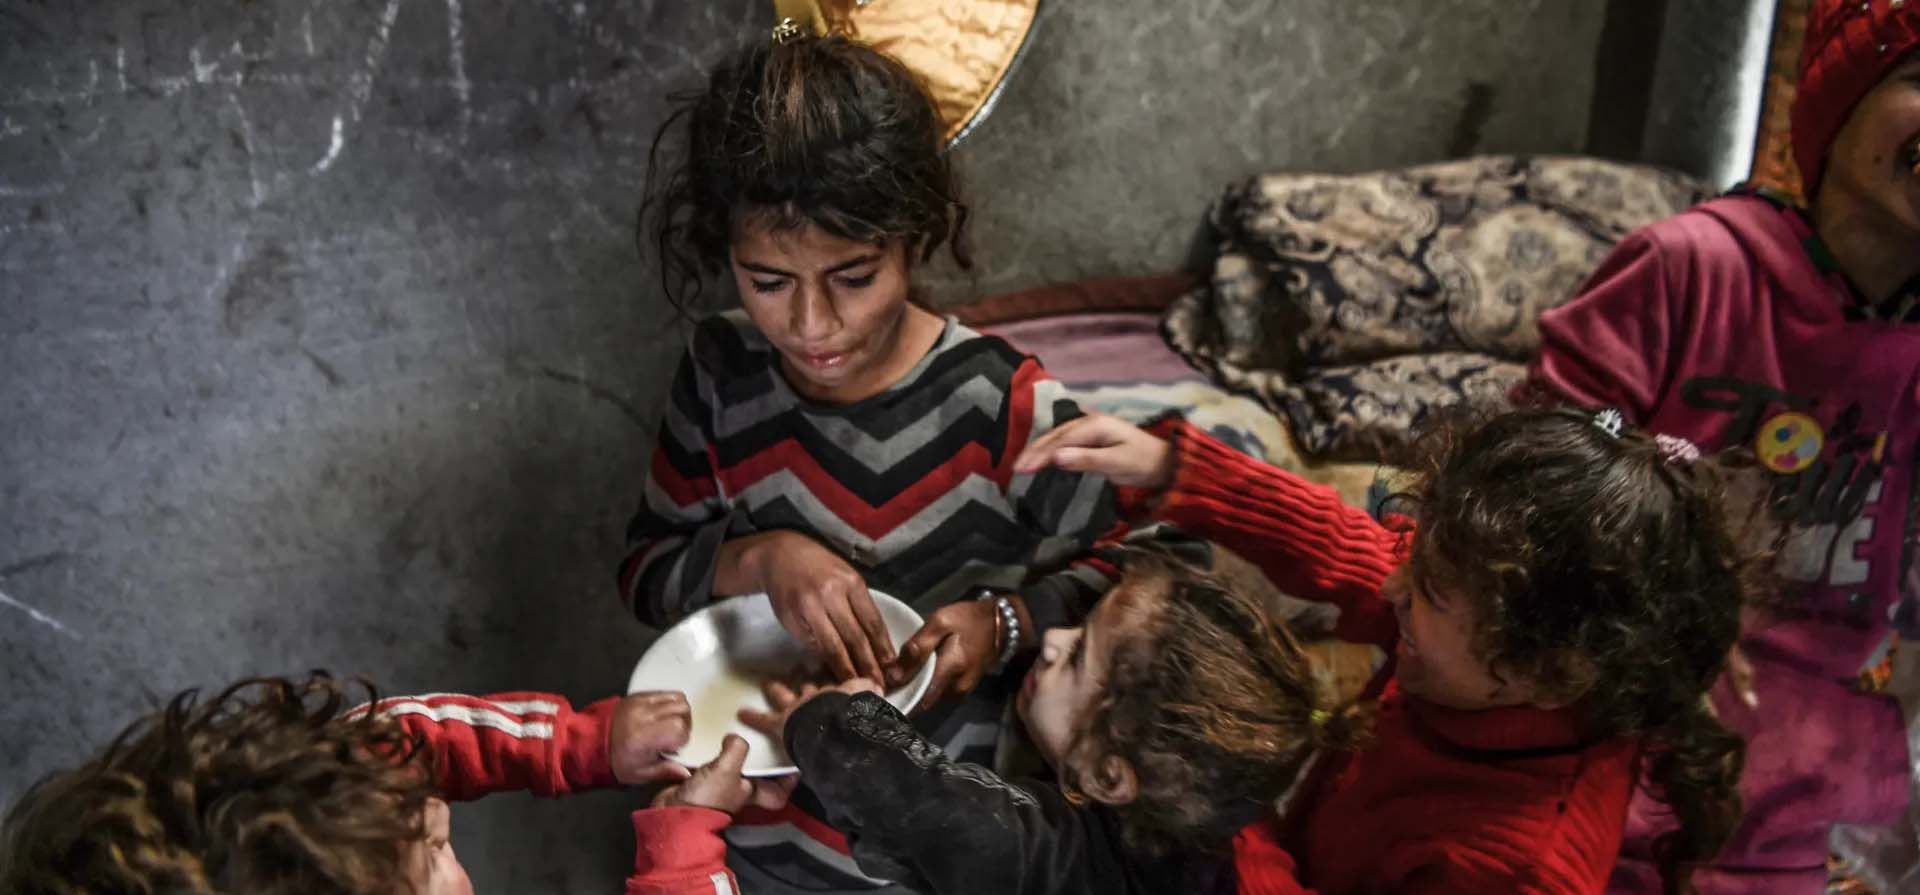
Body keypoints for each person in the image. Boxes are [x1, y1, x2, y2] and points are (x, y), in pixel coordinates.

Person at [622, 29, 1172, 890]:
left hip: (934, 857)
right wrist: (761, 559)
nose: (812, 325)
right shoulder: (721, 373)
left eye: (853, 276)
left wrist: (1006, 623)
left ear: (914, 235)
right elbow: (645, 568)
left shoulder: (1000, 404)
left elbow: (1160, 568)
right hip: (753, 843)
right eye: (768, 282)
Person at [1014, 407, 1757, 894]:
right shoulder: (1489, 649)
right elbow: (1355, 551)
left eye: (1428, 586)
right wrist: (1180, 472)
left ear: (1548, 673)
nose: (1394, 581)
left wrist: (1218, 816)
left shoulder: (1521, 866)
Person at [1523, 1, 1920, 890]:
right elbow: (1530, 475)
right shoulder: (1689, 268)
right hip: (1584, 777)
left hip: (1781, 816)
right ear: (1835, 108)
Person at [736, 547, 1365, 895]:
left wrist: (824, 719)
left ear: (1111, 777)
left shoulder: (1062, 867)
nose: (1056, 640)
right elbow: (1173, 552)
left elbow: (927, 802)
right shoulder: (1198, 813)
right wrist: (1012, 620)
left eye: (1079, 658)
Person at [0, 674, 791, 895]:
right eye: (436, 851)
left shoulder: (272, 822)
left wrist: (579, 742)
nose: (442, 817)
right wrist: (683, 849)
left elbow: (395, 741)